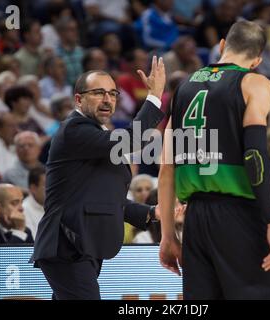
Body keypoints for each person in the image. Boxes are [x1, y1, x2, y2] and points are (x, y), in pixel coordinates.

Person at [159, 20, 270, 299]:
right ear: (257, 60)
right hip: (239, 216)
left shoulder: (183, 88)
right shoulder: (255, 83)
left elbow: (167, 167)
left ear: (221, 47)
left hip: (196, 220)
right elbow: (254, 155)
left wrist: (167, 235)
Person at [31, 56, 166, 300]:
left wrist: (150, 213)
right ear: (78, 99)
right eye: (99, 93)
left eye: (113, 94)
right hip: (66, 245)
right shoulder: (75, 130)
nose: (108, 100)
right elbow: (133, 139)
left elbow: (106, 198)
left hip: (83, 246)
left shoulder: (96, 137)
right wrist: (155, 96)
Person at [23, 166, 46, 240]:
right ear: (33, 188)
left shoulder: (54, 206)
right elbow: (33, 243)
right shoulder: (24, 210)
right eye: (46, 185)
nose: (51, 189)